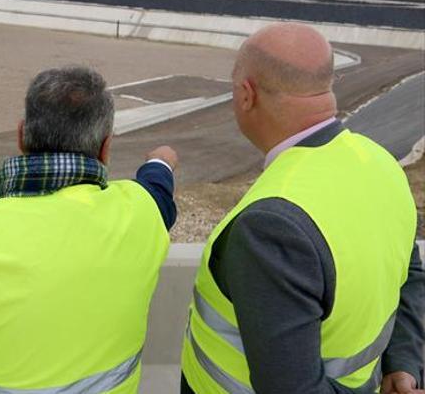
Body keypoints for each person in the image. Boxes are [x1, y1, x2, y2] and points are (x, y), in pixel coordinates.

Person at [0, 65, 179, 393]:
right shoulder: (141, 211)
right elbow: (158, 187)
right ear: (105, 148)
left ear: (22, 135)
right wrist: (161, 161)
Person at [180, 23, 425, 394]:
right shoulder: (381, 164)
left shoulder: (271, 224)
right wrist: (403, 360)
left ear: (246, 95)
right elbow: (411, 273)